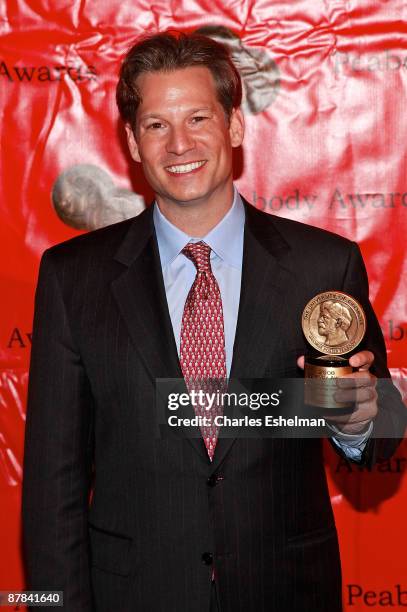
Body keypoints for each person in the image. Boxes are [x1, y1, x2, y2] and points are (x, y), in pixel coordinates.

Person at [22, 32, 406, 612]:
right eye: (156, 125)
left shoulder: (325, 264)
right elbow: (52, 489)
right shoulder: (74, 278)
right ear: (131, 141)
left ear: (234, 126)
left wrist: (356, 420)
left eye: (198, 117)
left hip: (286, 593)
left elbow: (384, 437)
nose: (180, 143)